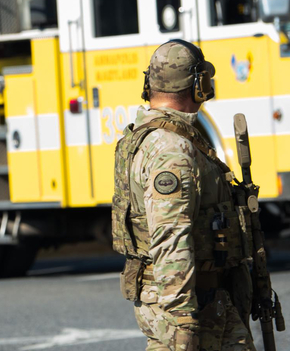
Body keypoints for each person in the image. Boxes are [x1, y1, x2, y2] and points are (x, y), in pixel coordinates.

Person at [112, 40, 255, 350]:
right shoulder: (170, 150)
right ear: (198, 84)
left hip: (203, 300)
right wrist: (182, 323)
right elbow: (170, 237)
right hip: (191, 305)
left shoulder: (163, 138)